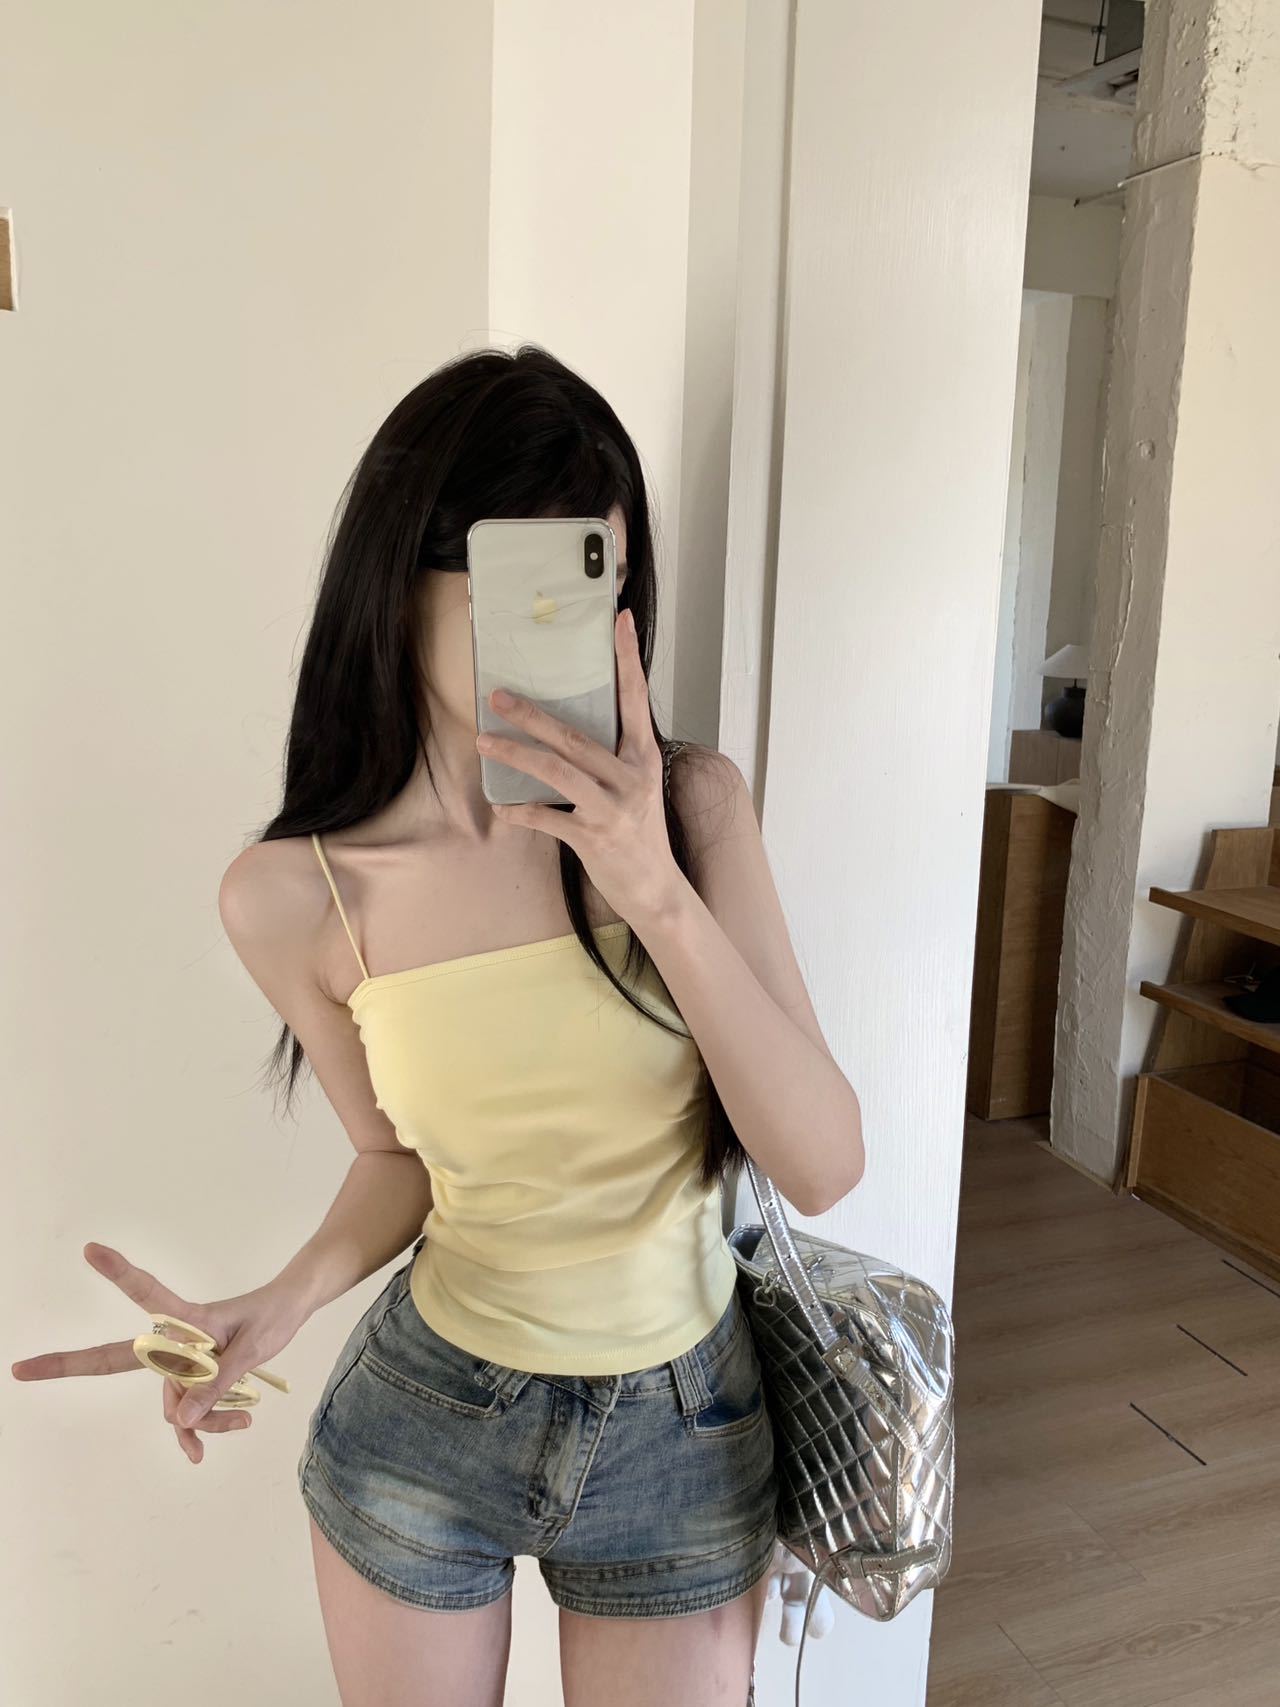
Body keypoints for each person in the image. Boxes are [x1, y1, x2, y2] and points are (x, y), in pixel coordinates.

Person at [12, 344, 864, 1706]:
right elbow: (396, 1159)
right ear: (400, 578)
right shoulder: (296, 897)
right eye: (526, 579)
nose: (571, 624)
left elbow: (822, 1164)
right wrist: (283, 1298)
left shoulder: (693, 811)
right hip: (427, 1425)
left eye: (601, 575)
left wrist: (653, 890)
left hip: (686, 1434)